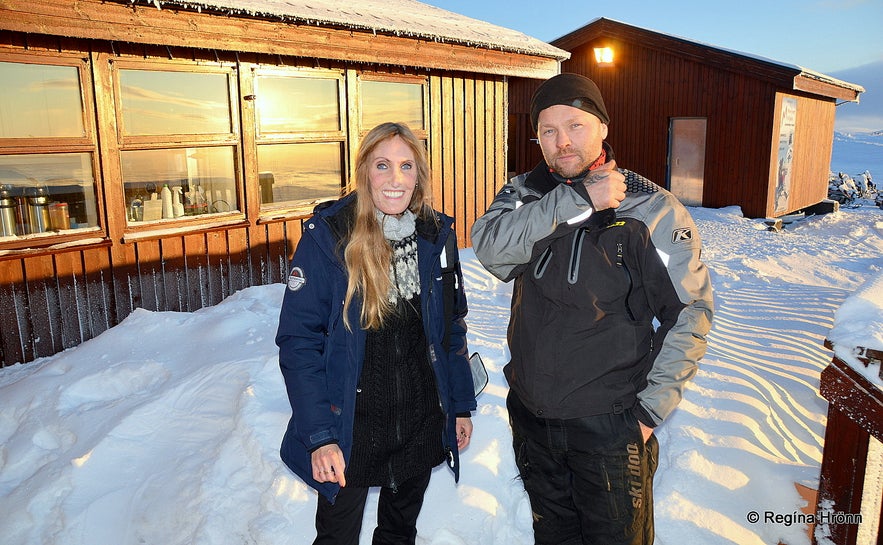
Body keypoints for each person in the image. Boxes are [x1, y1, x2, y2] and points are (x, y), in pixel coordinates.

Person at [470, 73, 714, 545]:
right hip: (534, 419)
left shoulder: (651, 209)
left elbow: (689, 311)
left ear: (603, 126)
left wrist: (646, 414)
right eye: (548, 130)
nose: (562, 142)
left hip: (611, 423)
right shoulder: (525, 195)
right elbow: (493, 251)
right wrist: (577, 198)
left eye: (575, 125)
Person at [276, 122, 477, 545]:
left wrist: (458, 405)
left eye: (406, 166)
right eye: (382, 166)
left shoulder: (433, 236)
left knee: (399, 533)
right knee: (337, 538)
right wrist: (319, 438)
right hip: (349, 430)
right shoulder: (330, 238)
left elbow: (450, 329)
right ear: (364, 171)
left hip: (418, 424)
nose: (396, 179)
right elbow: (299, 344)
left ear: (419, 174)